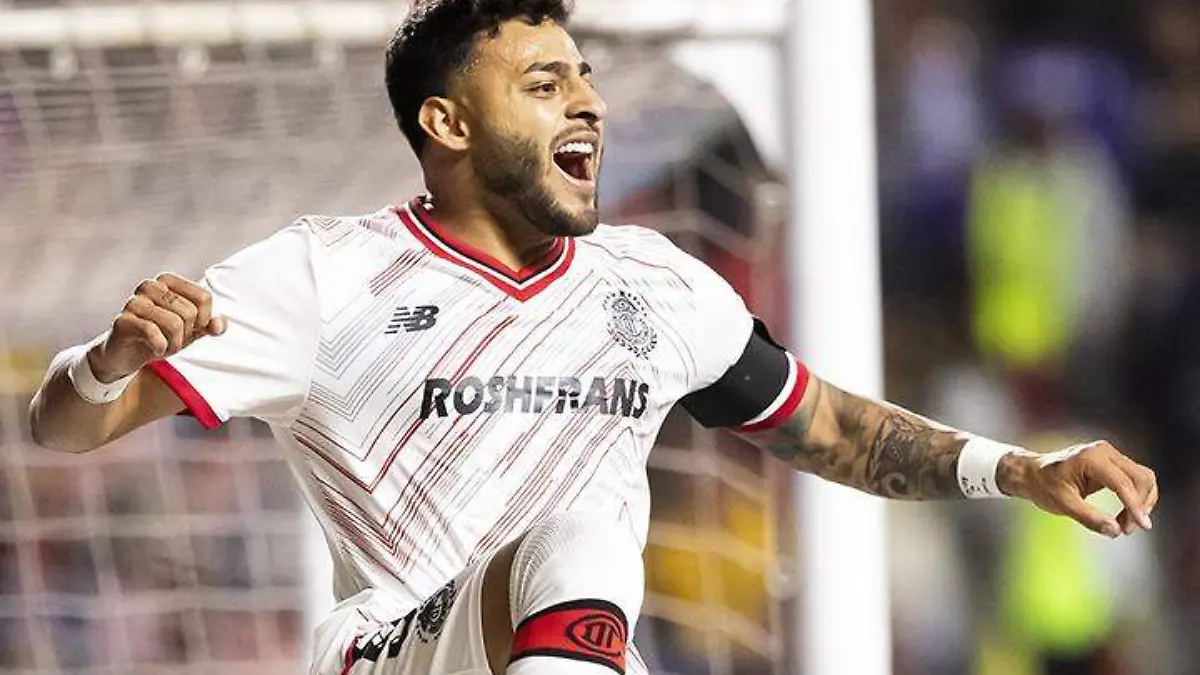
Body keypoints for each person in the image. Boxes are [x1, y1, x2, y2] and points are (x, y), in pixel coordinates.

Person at [28, 1, 1159, 673]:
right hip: (398, 654)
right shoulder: (325, 274)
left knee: (584, 557)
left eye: (585, 76)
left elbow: (825, 424)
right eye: (544, 82)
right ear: (446, 123)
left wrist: (1018, 469)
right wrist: (107, 364)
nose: (588, 102)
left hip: (572, 644)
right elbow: (65, 427)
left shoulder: (655, 285)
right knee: (579, 540)